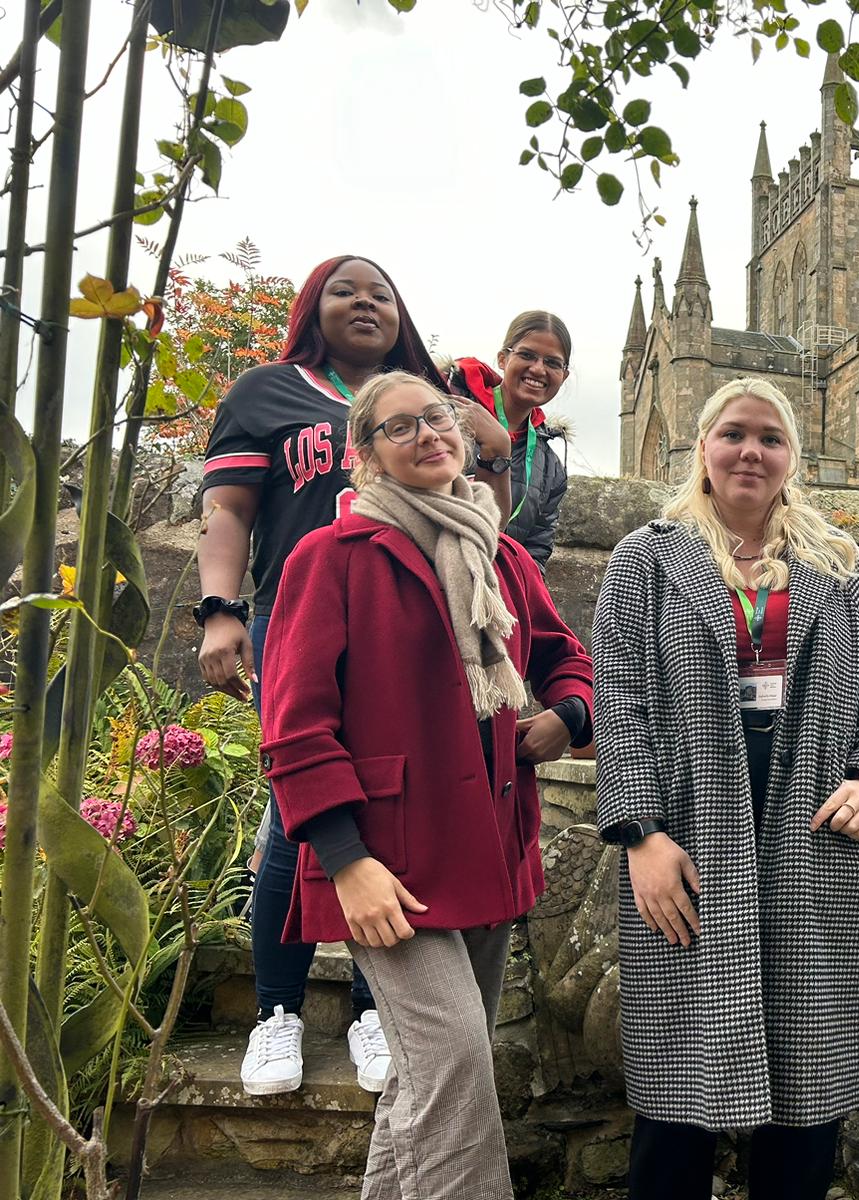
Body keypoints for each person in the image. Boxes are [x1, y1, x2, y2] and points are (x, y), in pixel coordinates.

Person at [260, 371, 594, 1200]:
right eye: (399, 426)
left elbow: (562, 657)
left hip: (489, 843)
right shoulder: (331, 556)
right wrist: (343, 858)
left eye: (436, 417)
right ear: (364, 456)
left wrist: (570, 715)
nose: (428, 434)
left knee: (426, 1083)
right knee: (454, 1072)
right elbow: (294, 724)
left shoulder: (501, 553)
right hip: (388, 862)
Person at [592, 378, 859, 1200]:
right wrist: (641, 835)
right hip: (689, 840)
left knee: (805, 1104)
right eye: (734, 433)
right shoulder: (649, 559)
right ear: (703, 447)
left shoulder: (838, 566)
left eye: (770, 438)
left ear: (792, 459)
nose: (751, 451)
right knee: (677, 1100)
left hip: (814, 841)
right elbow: (621, 698)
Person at [195, 255, 514, 1097]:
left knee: (402, 806)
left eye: (381, 292)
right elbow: (228, 511)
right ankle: (277, 1011)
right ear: (314, 307)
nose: (365, 303)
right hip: (303, 607)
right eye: (346, 290)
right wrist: (219, 607)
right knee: (290, 815)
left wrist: (493, 441)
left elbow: (481, 501)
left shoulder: (428, 395)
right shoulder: (270, 392)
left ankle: (379, 1006)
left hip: (420, 620)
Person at [445, 310, 573, 567]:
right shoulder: (448, 417)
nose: (538, 369)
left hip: (491, 596)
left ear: (564, 375)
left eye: (552, 362)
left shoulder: (550, 466)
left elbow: (535, 555)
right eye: (526, 355)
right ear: (503, 359)